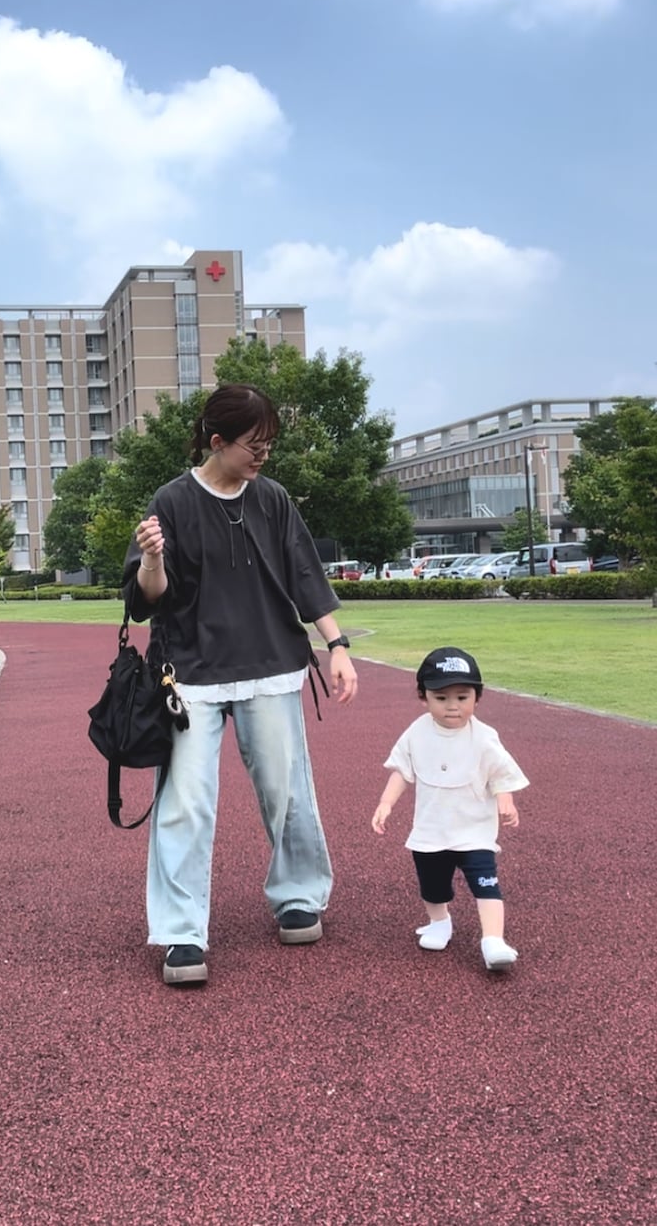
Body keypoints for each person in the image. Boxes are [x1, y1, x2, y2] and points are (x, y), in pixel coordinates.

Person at [124, 383, 358, 987]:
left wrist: (337, 646)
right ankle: (181, 933)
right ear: (217, 440)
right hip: (191, 676)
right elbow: (146, 601)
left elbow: (306, 574)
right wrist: (151, 560)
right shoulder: (172, 501)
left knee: (287, 792)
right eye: (253, 445)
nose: (262, 457)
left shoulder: (272, 499)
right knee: (185, 805)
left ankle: (299, 895)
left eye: (269, 445)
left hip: (272, 667)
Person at [371, 647, 529, 971]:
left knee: (487, 884)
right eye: (441, 698)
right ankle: (440, 922)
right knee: (433, 888)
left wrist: (505, 799)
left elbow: (501, 773)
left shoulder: (484, 737)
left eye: (462, 696)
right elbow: (402, 770)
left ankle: (493, 941)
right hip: (431, 832)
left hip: (475, 832)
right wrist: (386, 803)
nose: (452, 706)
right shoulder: (417, 733)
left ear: (477, 697)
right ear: (423, 697)